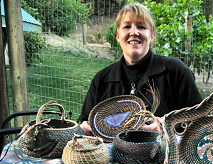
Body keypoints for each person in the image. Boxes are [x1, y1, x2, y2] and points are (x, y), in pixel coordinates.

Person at [79, 3, 202, 135]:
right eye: (127, 26)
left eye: (141, 27)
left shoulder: (177, 72)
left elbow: (201, 122)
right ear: (117, 36)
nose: (134, 32)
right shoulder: (102, 80)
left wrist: (163, 126)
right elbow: (84, 122)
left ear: (152, 35)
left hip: (166, 155)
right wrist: (85, 129)